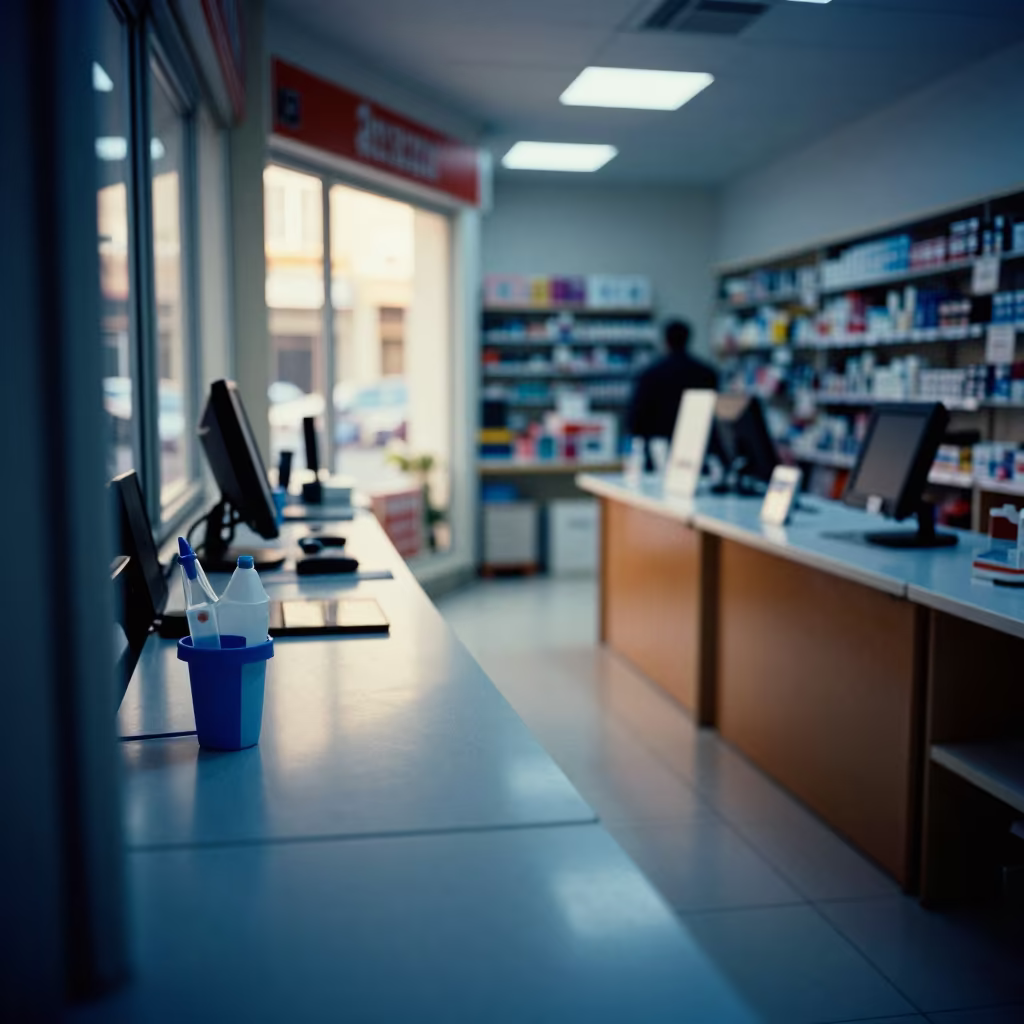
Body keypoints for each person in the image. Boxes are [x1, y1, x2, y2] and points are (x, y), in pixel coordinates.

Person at [627, 319, 718, 467]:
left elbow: (635, 417)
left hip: (658, 450)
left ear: (665, 341)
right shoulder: (706, 373)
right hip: (696, 450)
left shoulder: (650, 374)